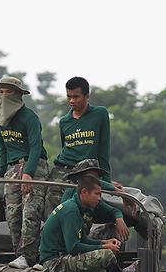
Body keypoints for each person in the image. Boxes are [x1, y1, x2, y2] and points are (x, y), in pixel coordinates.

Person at [0, 75, 49, 269]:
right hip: (12, 168)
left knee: (30, 212)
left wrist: (28, 173)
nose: (3, 95)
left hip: (34, 165)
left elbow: (35, 147)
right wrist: (0, 171)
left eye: (8, 91)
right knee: (12, 214)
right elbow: (2, 147)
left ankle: (28, 256)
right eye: (1, 91)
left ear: (17, 94)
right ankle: (20, 256)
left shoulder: (29, 117)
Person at [47, 77, 121, 213]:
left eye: (76, 97)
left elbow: (103, 149)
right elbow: (66, 147)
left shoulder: (99, 114)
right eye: (68, 96)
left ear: (86, 96)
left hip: (85, 172)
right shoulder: (64, 121)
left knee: (81, 210)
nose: (71, 101)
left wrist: (106, 179)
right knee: (53, 210)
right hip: (62, 170)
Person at [40, 174, 128, 272]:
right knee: (107, 255)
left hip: (64, 257)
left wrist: (103, 243)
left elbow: (82, 239)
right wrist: (104, 248)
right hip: (55, 263)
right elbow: (73, 248)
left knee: (106, 251)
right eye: (96, 194)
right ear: (84, 192)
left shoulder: (79, 207)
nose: (99, 198)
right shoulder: (71, 210)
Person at [60, 159, 129, 246]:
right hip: (66, 245)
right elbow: (73, 246)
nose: (96, 182)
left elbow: (113, 211)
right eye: (92, 178)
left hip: (82, 240)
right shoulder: (72, 195)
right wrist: (119, 192)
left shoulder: (93, 200)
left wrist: (119, 219)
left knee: (113, 231)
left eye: (97, 178)